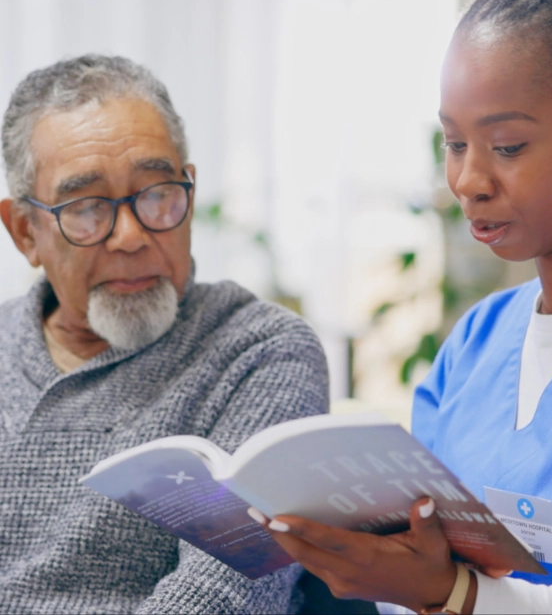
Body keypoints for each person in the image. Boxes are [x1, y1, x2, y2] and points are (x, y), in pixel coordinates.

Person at [247, 0, 552, 613]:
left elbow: (454, 592)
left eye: (506, 146)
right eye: (453, 143)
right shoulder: (474, 345)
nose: (466, 180)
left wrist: (458, 595)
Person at [0, 54, 329, 614]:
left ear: (191, 194)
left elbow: (225, 594)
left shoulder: (259, 352)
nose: (130, 236)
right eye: (87, 208)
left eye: (158, 195)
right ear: (25, 231)